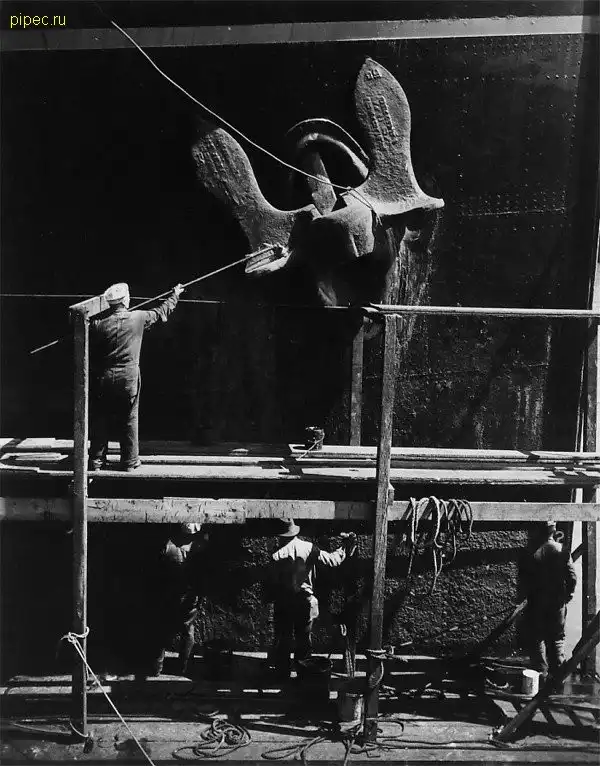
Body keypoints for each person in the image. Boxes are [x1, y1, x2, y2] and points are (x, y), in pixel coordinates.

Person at [89, 281, 184, 471]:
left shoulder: (99, 324)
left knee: (101, 418)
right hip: (128, 378)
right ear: (126, 300)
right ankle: (129, 462)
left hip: (105, 378)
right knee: (129, 418)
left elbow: (88, 328)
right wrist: (175, 295)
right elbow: (161, 312)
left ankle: (96, 461)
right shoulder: (138, 318)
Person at [268, 518, 356, 678]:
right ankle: (303, 676)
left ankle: (282, 675)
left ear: (281, 535)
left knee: (283, 640)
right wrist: (344, 547)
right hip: (305, 602)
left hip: (284, 603)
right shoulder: (309, 548)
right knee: (303, 641)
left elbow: (272, 583)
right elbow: (332, 561)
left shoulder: (276, 555)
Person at [523, 521, 577, 678]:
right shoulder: (562, 550)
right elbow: (572, 577)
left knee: (538, 636)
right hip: (557, 600)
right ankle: (558, 672)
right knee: (557, 637)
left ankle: (540, 672)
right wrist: (569, 594)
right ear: (553, 532)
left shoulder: (534, 552)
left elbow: (526, 579)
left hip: (538, 601)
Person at [151, 522, 206, 677]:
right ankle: (183, 668)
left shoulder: (167, 545)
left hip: (168, 593)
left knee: (162, 629)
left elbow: (159, 571)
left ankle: (157, 667)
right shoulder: (199, 547)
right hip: (189, 594)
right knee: (187, 629)